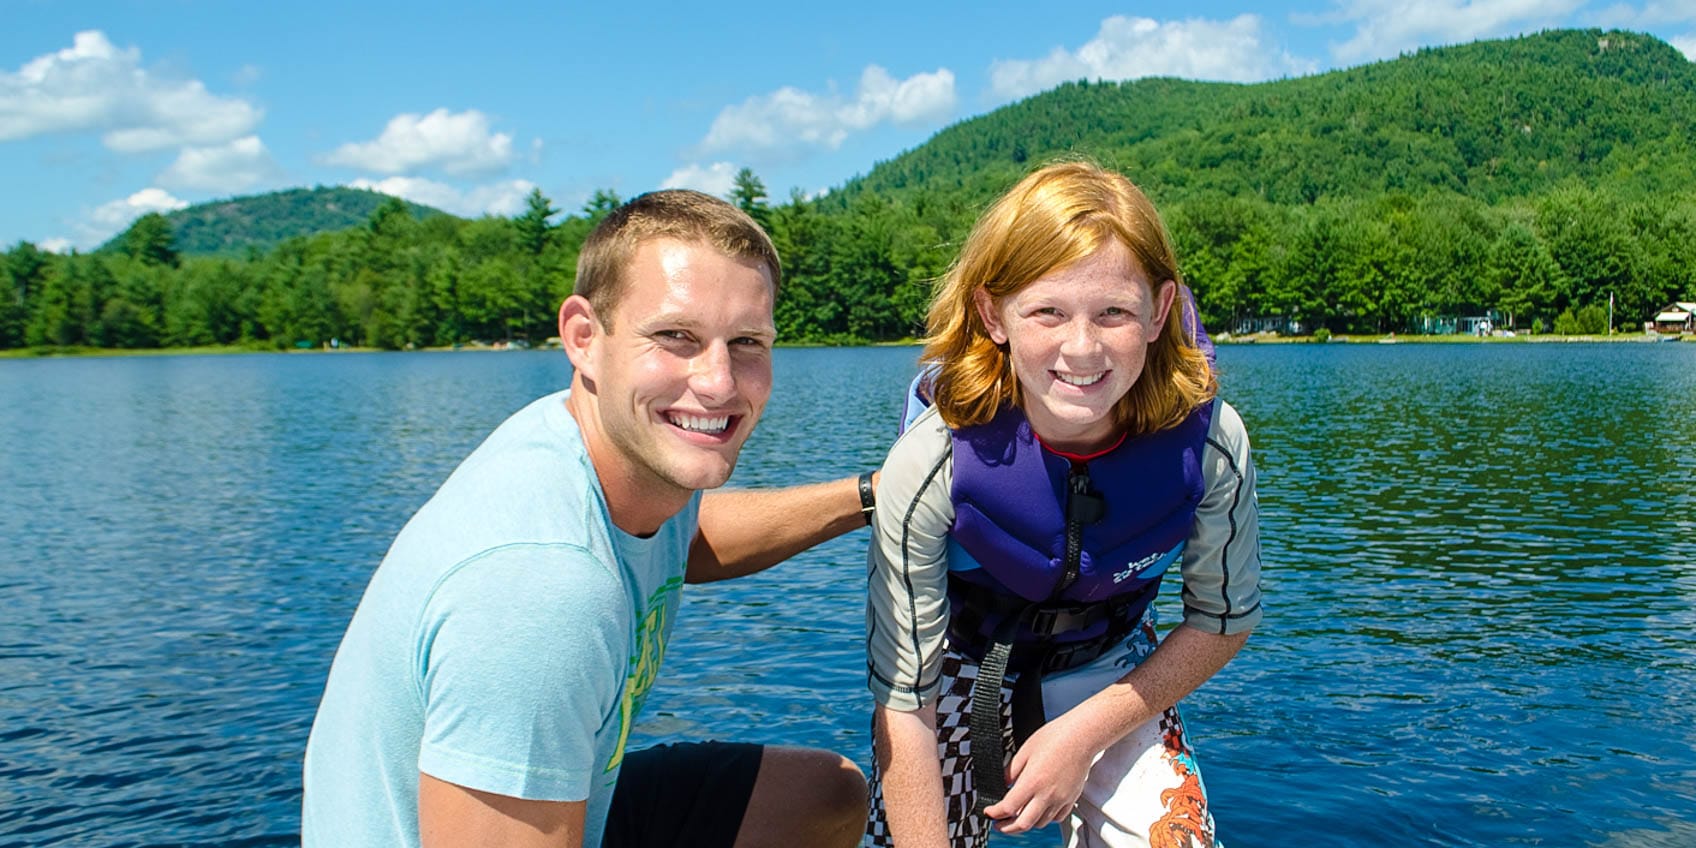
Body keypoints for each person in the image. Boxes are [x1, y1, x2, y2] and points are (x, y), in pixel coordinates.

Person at [303, 189, 871, 848]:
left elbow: (683, 539)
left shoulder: (595, 446)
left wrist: (871, 496)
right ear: (583, 338)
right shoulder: (542, 591)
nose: (719, 381)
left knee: (821, 796)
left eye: (747, 342)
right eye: (675, 336)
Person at [864, 161, 1262, 847]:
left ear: (1159, 312)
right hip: (954, 672)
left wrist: (1081, 735)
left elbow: (1222, 622)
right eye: (1047, 311)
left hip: (1116, 668)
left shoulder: (1210, 445)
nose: (1082, 348)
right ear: (993, 314)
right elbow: (904, 702)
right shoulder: (930, 464)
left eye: (1114, 312)